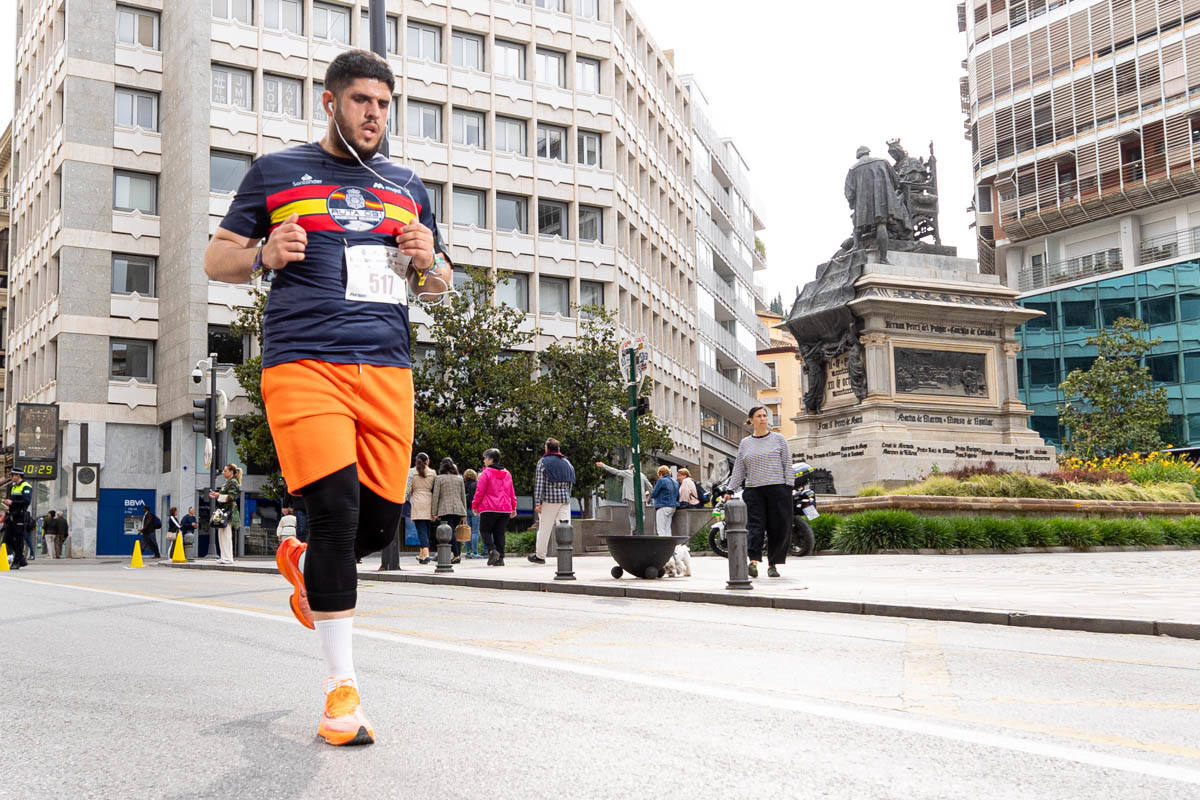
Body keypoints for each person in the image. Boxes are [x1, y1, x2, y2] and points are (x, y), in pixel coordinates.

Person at [205, 48, 452, 746]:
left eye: (382, 102)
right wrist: (261, 255)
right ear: (330, 102)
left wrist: (429, 262)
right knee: (339, 514)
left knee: (376, 529)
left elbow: (438, 285)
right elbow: (216, 256)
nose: (373, 113)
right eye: (360, 101)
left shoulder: (406, 186)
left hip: (387, 369)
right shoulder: (277, 173)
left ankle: (301, 557)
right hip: (304, 363)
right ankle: (341, 694)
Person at [725, 405, 794, 579]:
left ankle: (773, 565)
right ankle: (753, 562)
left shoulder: (779, 439)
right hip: (754, 490)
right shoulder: (745, 443)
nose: (763, 418)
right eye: (759, 416)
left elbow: (787, 464)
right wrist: (729, 490)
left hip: (778, 489)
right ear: (751, 420)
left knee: (777, 527)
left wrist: (788, 487)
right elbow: (739, 469)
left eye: (765, 415)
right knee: (755, 527)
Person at [531, 438, 575, 564]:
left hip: (549, 500)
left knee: (544, 529)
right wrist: (567, 496)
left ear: (547, 448)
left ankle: (540, 556)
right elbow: (570, 482)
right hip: (564, 500)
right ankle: (566, 554)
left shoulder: (543, 462)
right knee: (565, 527)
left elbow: (539, 484)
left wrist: (538, 502)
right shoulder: (567, 462)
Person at [473, 448, 516, 566]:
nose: (483, 460)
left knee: (484, 530)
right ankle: (500, 559)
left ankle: (492, 551)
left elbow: (480, 491)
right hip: (505, 508)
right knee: (500, 533)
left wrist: (475, 505)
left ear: (491, 459)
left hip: (489, 507)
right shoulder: (507, 473)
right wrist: (513, 507)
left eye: (485, 458)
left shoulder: (485, 473)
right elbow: (511, 491)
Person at [596, 460, 654, 534]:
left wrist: (603, 465)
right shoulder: (642, 475)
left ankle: (633, 530)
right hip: (642, 498)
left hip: (631, 497)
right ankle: (639, 529)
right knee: (642, 514)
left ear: (630, 468)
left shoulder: (627, 472)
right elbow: (650, 487)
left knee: (632, 514)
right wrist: (649, 498)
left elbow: (615, 471)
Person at [431, 458, 467, 563]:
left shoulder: (439, 478)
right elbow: (463, 496)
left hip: (444, 509)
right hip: (459, 508)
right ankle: (457, 554)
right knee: (456, 532)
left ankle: (456, 555)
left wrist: (434, 512)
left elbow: (435, 496)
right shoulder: (459, 479)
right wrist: (464, 512)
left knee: (449, 533)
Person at [208, 464, 242, 566]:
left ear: (231, 472)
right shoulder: (229, 482)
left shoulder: (233, 482)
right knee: (222, 534)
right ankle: (224, 557)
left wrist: (218, 495)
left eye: (225, 470)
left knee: (226, 535)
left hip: (229, 511)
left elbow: (232, 496)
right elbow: (226, 495)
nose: (223, 472)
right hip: (225, 510)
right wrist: (217, 495)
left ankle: (228, 557)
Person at [406, 453, 435, 565]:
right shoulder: (433, 472)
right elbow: (434, 489)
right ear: (427, 461)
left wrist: (408, 499)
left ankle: (426, 554)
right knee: (425, 528)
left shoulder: (411, 472)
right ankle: (422, 555)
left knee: (420, 529)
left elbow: (408, 489)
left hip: (417, 500)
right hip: (429, 500)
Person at [649, 466, 679, 536]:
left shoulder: (661, 481)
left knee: (661, 529)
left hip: (663, 506)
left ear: (660, 473)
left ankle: (662, 546)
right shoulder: (675, 482)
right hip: (673, 507)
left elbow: (653, 494)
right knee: (668, 528)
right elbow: (678, 495)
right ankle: (669, 545)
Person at [462, 469, 483, 558]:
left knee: (467, 531)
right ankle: (475, 553)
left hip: (465, 509)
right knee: (475, 531)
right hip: (475, 509)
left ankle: (467, 553)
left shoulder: (462, 484)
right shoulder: (476, 484)